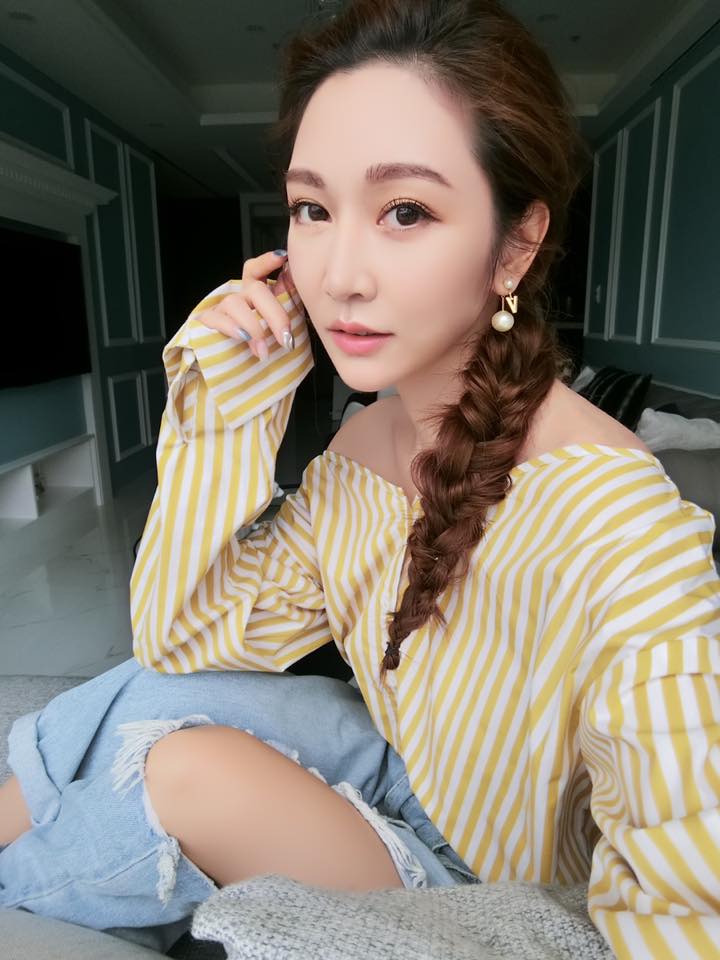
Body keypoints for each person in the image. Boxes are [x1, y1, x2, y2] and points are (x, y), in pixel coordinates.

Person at [1, 0, 719, 957]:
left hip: (491, 880)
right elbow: (184, 637)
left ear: (515, 244)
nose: (338, 274)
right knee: (144, 688)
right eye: (313, 209)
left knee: (182, 772)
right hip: (400, 769)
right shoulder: (363, 445)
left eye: (405, 212)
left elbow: (687, 889)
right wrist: (230, 408)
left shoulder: (625, 532)